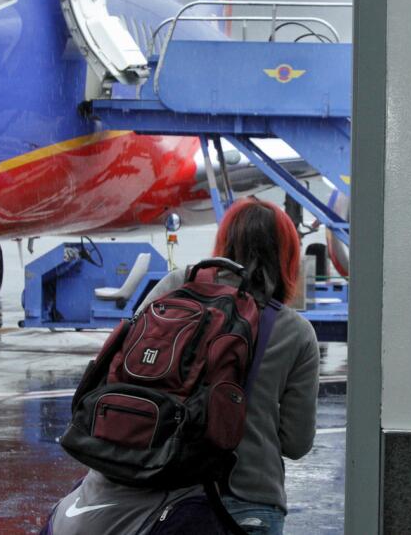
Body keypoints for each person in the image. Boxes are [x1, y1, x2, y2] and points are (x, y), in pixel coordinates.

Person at [47, 198, 320, 534]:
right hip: (245, 499)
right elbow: (296, 442)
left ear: (225, 243)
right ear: (287, 257)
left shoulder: (175, 287)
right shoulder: (295, 331)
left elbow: (122, 368)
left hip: (154, 485)